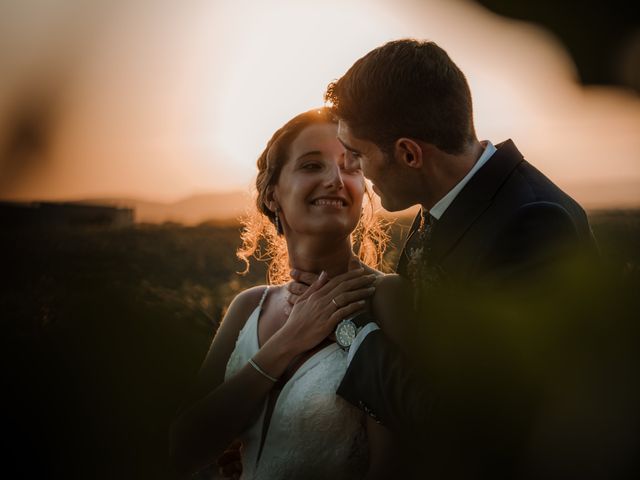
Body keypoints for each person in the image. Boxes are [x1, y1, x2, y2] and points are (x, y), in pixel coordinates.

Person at [288, 39, 599, 478]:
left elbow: (471, 425)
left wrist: (349, 326)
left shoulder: (533, 224)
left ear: (409, 153)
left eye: (357, 154)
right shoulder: (447, 203)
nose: (354, 170)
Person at [169, 108, 406, 479]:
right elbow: (183, 450)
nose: (334, 179)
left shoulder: (386, 298)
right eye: (312, 166)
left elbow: (394, 466)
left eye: (350, 166)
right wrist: (289, 340)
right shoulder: (249, 306)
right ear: (272, 194)